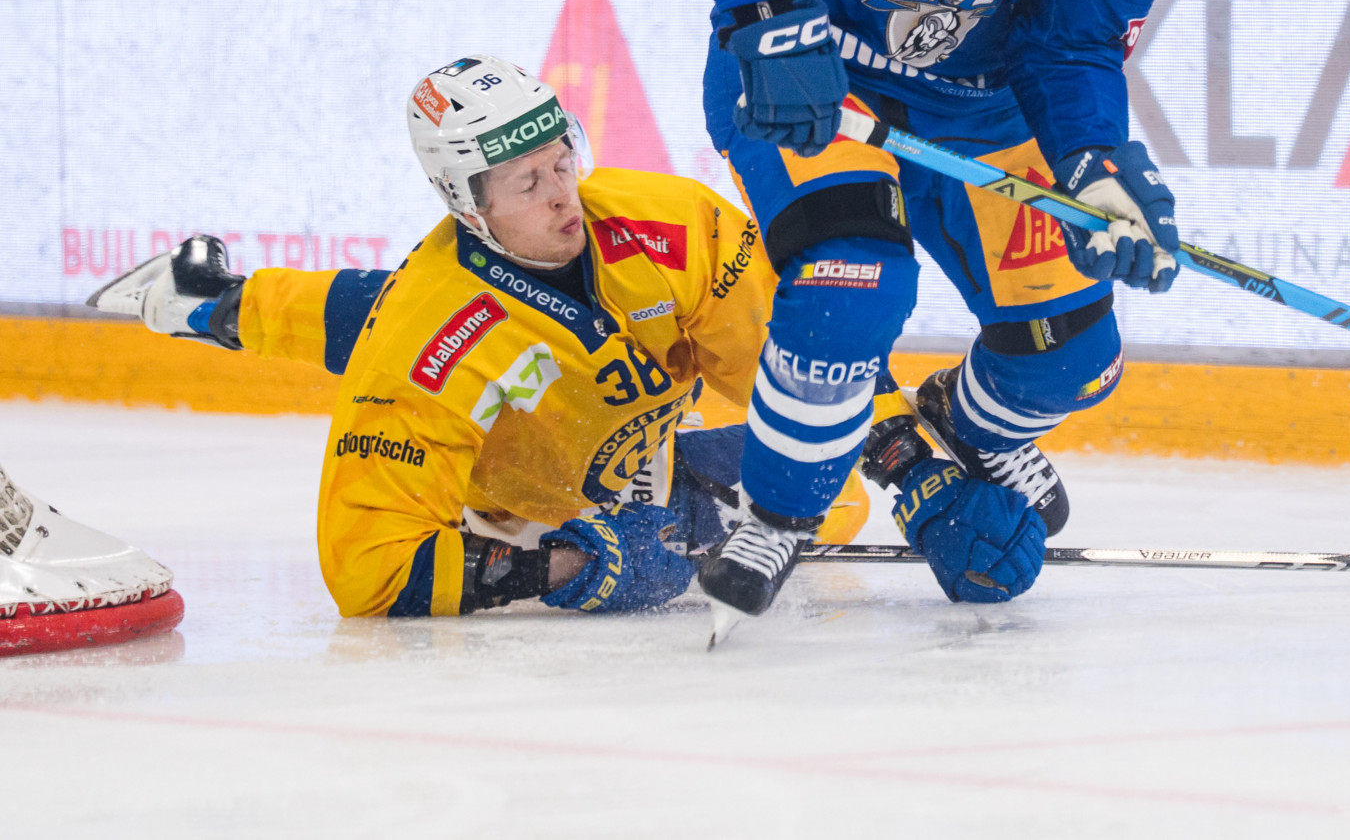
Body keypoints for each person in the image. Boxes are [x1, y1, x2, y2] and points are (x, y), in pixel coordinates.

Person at [650, 0, 1187, 635]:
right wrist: (760, 13)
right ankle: (777, 513)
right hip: (814, 79)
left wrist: (1098, 164)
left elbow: (1070, 50)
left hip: (975, 116)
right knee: (850, 284)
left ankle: (962, 426)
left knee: (1073, 358)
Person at [89, 55, 871, 618]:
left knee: (835, 496)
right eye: (528, 182)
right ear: (467, 204)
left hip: (590, 414)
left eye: (563, 162)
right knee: (400, 317)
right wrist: (571, 561)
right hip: (521, 487)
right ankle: (209, 306)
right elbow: (369, 569)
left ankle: (217, 298)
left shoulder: (667, 220)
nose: (564, 196)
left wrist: (890, 431)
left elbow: (796, 362)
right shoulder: (425, 342)